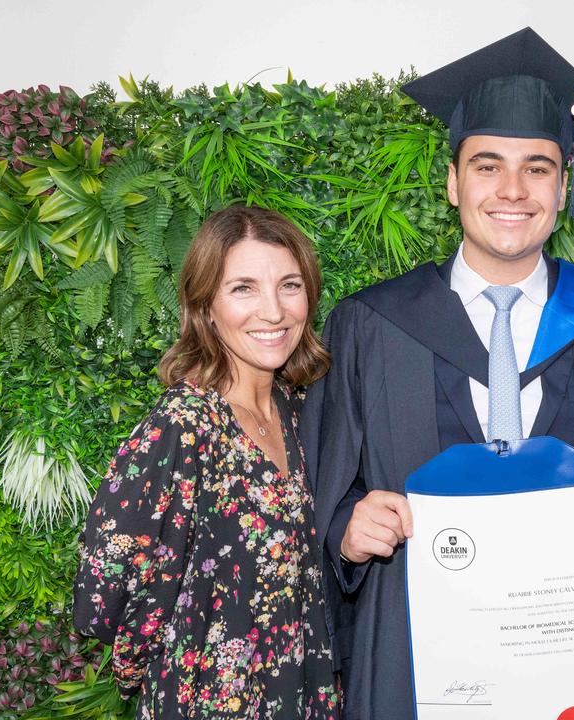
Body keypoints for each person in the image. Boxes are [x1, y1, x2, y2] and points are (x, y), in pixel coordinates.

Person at [302, 27, 574, 720]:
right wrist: (347, 533)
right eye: (487, 166)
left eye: (537, 168)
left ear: (564, 184)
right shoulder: (371, 324)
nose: (513, 190)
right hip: (419, 653)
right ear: (452, 182)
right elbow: (330, 485)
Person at [73, 206, 339, 719]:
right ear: (206, 307)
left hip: (305, 694)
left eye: (289, 285)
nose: (273, 311)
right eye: (243, 288)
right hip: (211, 701)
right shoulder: (184, 424)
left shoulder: (304, 412)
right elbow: (101, 587)